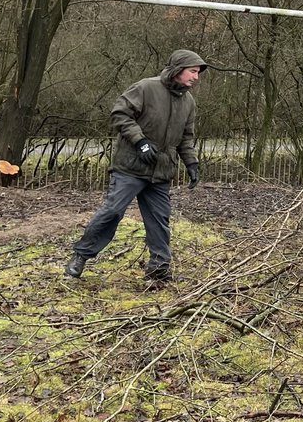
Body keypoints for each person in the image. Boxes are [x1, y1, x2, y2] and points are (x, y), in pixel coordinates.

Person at [64, 49, 208, 282]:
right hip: (130, 167)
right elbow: (120, 114)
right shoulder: (145, 88)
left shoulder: (188, 102)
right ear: (177, 69)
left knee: (160, 219)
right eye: (193, 71)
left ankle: (159, 268)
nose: (196, 77)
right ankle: (81, 255)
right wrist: (140, 142)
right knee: (112, 212)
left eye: (198, 73)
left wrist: (191, 162)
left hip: (161, 171)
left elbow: (186, 137)